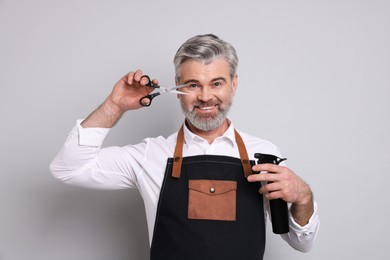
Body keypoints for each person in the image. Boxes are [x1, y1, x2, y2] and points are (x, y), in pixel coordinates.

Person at [50, 34, 319, 259]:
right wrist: (114, 106)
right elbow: (68, 168)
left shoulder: (262, 153)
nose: (205, 97)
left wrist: (303, 197)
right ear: (177, 88)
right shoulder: (150, 154)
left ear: (233, 85)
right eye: (193, 85)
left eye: (216, 83)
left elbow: (301, 243)